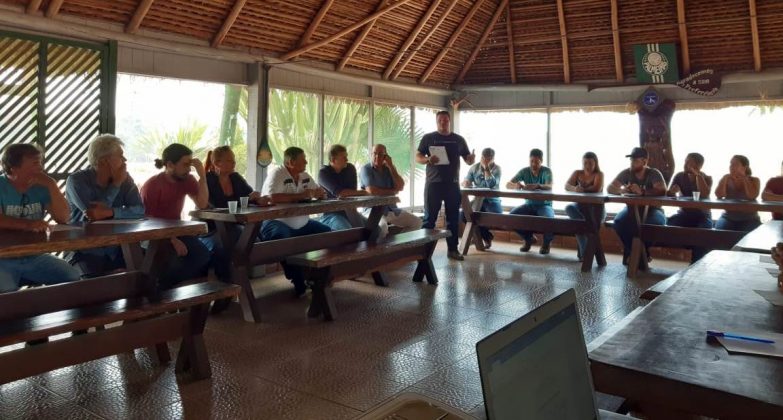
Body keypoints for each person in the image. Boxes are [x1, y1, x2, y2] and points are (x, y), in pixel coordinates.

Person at [0, 143, 81, 293]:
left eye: (40, 162)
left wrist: (51, 184)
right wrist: (28, 224)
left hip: (34, 255)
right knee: (7, 293)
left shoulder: (41, 186)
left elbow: (64, 218)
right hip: (3, 257)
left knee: (72, 277)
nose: (41, 168)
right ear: (14, 168)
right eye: (35, 163)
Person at [65, 134, 144, 277]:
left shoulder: (125, 179)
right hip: (84, 250)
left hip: (117, 248)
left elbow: (140, 210)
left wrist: (111, 212)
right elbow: (94, 214)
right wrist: (116, 184)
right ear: (104, 161)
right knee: (94, 285)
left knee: (144, 275)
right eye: (120, 156)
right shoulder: (77, 181)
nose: (125, 160)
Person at [261, 147, 331, 297]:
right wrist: (301, 195)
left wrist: (320, 194)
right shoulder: (277, 173)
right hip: (275, 221)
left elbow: (319, 191)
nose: (306, 162)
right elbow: (272, 197)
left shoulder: (304, 175)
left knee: (327, 233)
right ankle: (298, 280)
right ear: (291, 162)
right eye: (303, 159)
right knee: (284, 239)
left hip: (303, 223)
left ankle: (320, 277)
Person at [140, 143, 211, 289]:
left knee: (203, 255)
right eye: (185, 164)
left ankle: (168, 289)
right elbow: (147, 221)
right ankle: (161, 292)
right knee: (172, 260)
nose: (189, 169)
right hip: (153, 235)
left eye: (190, 164)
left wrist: (203, 176)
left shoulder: (187, 180)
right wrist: (172, 239)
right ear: (170, 165)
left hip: (177, 232)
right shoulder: (152, 185)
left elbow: (202, 204)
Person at [415, 111, 475, 261]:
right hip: (433, 184)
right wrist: (428, 159)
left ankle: (453, 250)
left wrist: (471, 159)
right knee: (429, 219)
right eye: (440, 120)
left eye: (446, 120)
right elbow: (418, 157)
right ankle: (422, 252)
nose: (443, 122)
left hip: (452, 185)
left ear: (449, 121)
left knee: (453, 219)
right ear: (437, 122)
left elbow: (468, 160)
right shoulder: (428, 138)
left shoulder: (458, 139)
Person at [607, 147, 667, 265]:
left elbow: (662, 190)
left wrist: (642, 192)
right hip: (631, 210)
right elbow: (610, 187)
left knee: (655, 225)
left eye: (635, 160)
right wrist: (622, 191)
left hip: (653, 210)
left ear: (644, 161)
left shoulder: (653, 173)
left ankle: (637, 253)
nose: (632, 163)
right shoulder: (626, 173)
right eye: (631, 160)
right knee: (618, 222)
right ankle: (639, 253)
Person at [360, 144, 422, 237]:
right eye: (374, 153)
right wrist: (393, 191)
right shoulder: (366, 169)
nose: (377, 156)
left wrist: (391, 166)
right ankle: (379, 247)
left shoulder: (389, 168)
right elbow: (372, 191)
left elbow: (400, 187)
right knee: (382, 228)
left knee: (417, 222)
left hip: (391, 209)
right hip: (372, 211)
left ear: (386, 156)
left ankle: (400, 244)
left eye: (380, 154)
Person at [665, 153, 713, 262]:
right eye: (685, 161)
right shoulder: (679, 176)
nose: (685, 165)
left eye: (689, 163)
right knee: (666, 227)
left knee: (703, 233)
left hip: (703, 216)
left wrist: (698, 176)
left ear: (699, 166)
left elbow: (704, 194)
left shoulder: (707, 178)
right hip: (684, 215)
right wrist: (672, 192)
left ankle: (695, 264)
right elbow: (668, 194)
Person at [507, 148, 554, 255]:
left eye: (536, 162)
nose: (533, 164)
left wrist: (537, 186)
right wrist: (515, 186)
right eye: (531, 161)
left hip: (544, 205)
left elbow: (550, 186)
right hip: (529, 205)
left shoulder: (547, 171)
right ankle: (528, 238)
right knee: (511, 217)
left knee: (549, 220)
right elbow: (508, 184)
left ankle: (546, 243)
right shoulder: (524, 171)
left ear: (541, 161)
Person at [564, 151, 605, 261]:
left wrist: (582, 189)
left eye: (590, 163)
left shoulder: (599, 174)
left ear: (595, 163)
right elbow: (567, 185)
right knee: (569, 209)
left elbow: (596, 188)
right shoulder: (577, 172)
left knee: (579, 226)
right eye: (585, 163)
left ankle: (584, 255)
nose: (587, 166)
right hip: (580, 208)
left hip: (596, 211)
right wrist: (575, 188)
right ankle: (585, 252)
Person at [460, 147, 502, 249]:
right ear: (481, 157)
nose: (486, 161)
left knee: (491, 216)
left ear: (493, 158)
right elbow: (466, 180)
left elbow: (491, 184)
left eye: (489, 159)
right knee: (464, 215)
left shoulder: (497, 169)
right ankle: (485, 236)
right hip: (478, 200)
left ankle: (482, 237)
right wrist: (466, 182)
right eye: (484, 158)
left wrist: (486, 168)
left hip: (492, 200)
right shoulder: (474, 168)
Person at [318, 144, 367, 231]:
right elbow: (340, 193)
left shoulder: (350, 168)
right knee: (348, 231)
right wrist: (365, 192)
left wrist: (355, 193)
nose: (347, 160)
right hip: (331, 214)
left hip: (350, 211)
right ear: (333, 160)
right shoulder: (323, 173)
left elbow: (352, 193)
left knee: (375, 230)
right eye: (344, 158)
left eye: (346, 156)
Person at [715, 155, 761, 231]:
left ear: (744, 167)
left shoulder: (754, 180)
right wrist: (725, 179)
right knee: (719, 232)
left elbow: (752, 196)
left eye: (735, 164)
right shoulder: (726, 179)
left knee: (750, 234)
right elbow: (719, 195)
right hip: (728, 217)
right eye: (731, 164)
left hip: (750, 218)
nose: (731, 166)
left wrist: (744, 178)